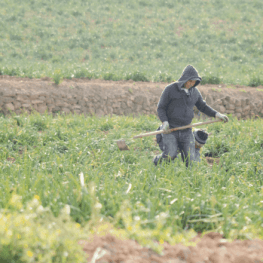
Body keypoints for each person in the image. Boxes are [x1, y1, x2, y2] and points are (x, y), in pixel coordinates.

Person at [153, 65, 228, 167]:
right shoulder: (170, 89)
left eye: (194, 82)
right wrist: (165, 122)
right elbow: (161, 108)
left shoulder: (195, 92)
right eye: (190, 81)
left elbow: (203, 106)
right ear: (184, 79)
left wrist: (217, 114)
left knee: (191, 160)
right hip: (170, 129)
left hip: (186, 130)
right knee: (171, 155)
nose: (191, 84)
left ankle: (190, 179)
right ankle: (157, 160)